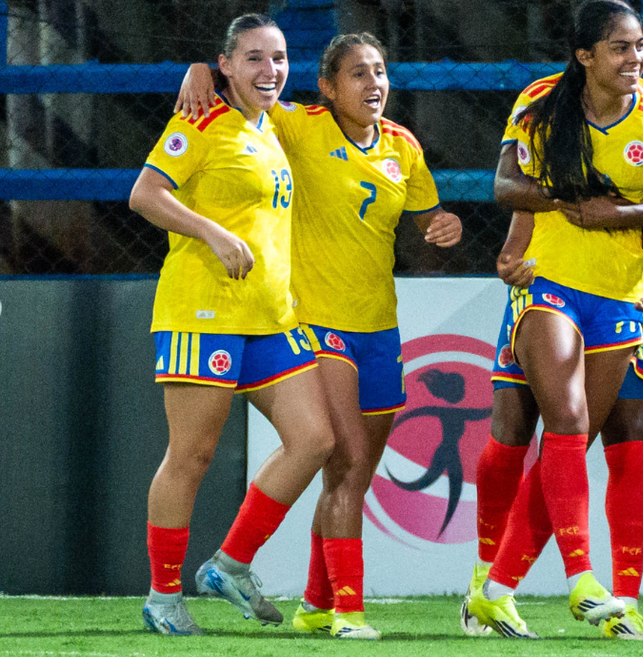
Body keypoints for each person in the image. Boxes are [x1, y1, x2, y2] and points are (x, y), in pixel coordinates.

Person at [175, 32, 463, 640]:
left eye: (380, 71)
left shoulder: (403, 148)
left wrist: (445, 225)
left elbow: (425, 217)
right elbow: (244, 91)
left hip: (379, 329)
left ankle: (312, 603)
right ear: (328, 89)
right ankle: (348, 613)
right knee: (346, 455)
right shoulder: (301, 126)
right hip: (316, 324)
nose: (373, 84)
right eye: (357, 75)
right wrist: (201, 69)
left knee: (352, 476)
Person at [462, 0, 643, 639]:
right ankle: (582, 583)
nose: (636, 57)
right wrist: (565, 201)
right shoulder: (541, 104)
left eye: (640, 45)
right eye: (621, 47)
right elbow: (506, 185)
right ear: (585, 56)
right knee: (558, 419)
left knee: (592, 436)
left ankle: (498, 589)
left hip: (619, 295)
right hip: (548, 281)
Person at [130, 14, 336, 637]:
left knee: (314, 440)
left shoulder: (273, 127)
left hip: (271, 315)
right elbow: (144, 194)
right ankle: (163, 596)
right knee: (192, 455)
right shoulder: (199, 121)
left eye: (277, 58)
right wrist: (211, 232)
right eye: (252, 58)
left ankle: (230, 563)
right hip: (204, 312)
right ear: (225, 65)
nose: (269, 71)